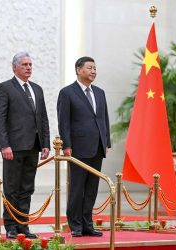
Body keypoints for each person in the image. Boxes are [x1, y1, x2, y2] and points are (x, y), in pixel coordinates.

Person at [0, 52, 50, 239]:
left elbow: (43, 118)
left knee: (27, 188)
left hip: (33, 146)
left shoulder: (37, 89)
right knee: (12, 188)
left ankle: (23, 225)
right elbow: (0, 119)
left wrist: (45, 144)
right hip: (13, 147)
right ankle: (10, 226)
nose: (28, 68)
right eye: (25, 64)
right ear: (14, 67)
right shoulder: (5, 88)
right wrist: (4, 145)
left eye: (30, 65)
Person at [57, 56, 111, 237]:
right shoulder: (67, 93)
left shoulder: (100, 92)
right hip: (78, 148)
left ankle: (88, 224)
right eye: (90, 68)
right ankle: (76, 225)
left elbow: (104, 119)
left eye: (95, 68)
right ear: (79, 70)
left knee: (91, 188)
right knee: (77, 187)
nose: (93, 71)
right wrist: (66, 145)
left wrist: (107, 141)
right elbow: (63, 121)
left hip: (97, 147)